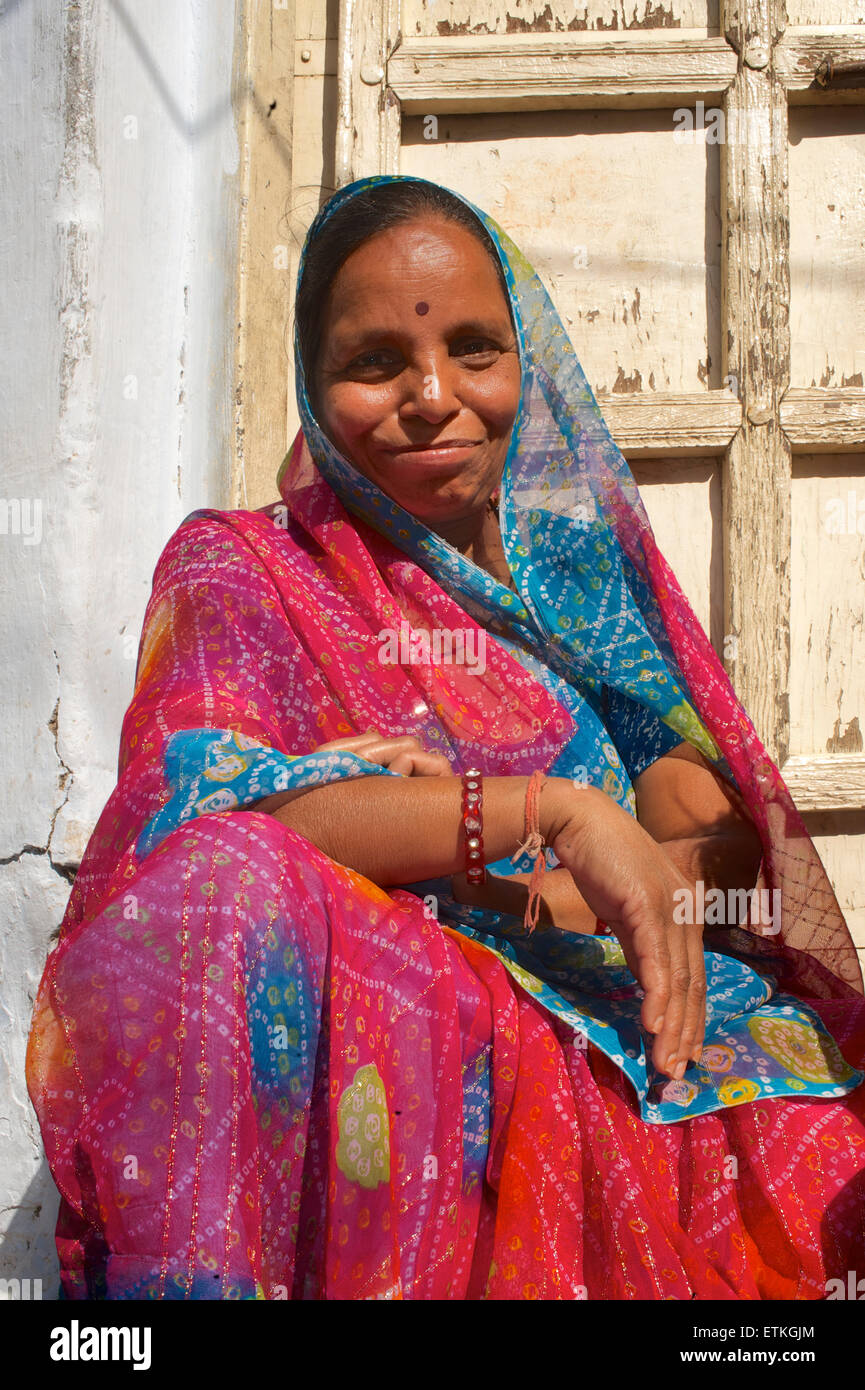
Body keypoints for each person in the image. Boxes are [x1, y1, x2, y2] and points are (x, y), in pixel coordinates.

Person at [26, 174, 865, 1301]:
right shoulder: (244, 567)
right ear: (314, 389)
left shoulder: (574, 572)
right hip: (423, 1032)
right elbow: (215, 821)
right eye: (375, 363)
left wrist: (624, 866)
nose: (434, 395)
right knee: (220, 882)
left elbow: (697, 802)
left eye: (475, 348)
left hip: (647, 1037)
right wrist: (550, 817)